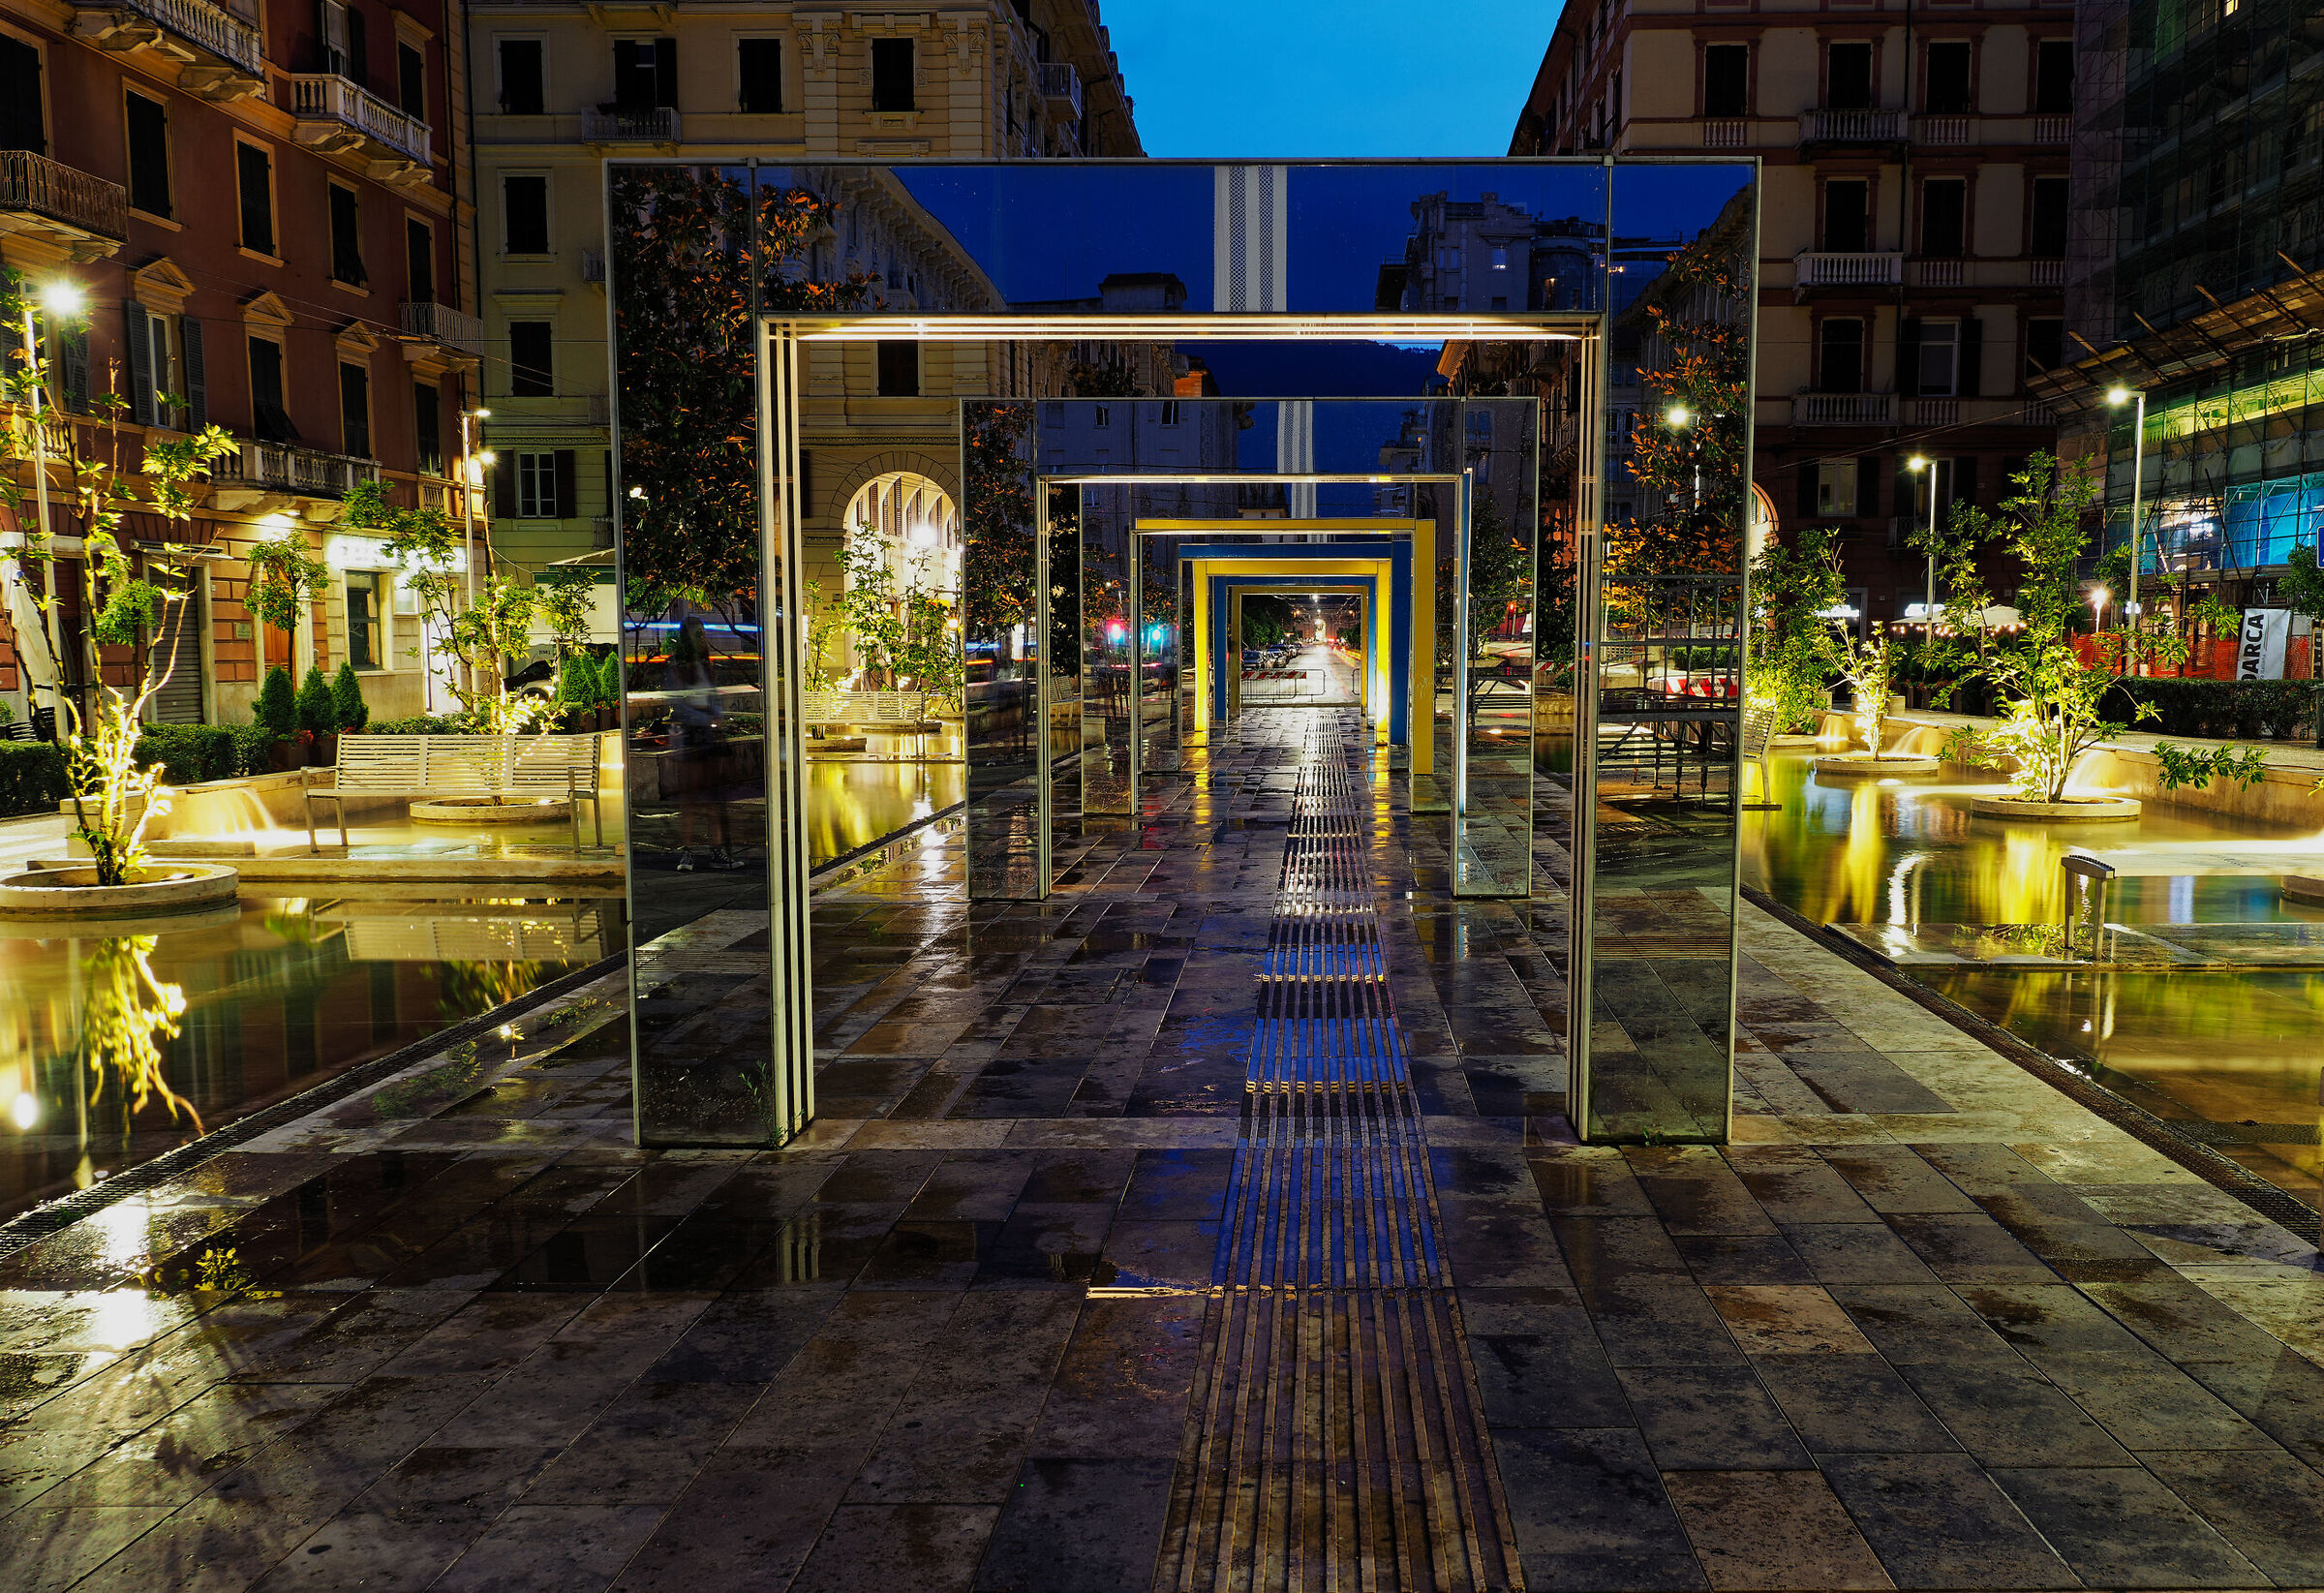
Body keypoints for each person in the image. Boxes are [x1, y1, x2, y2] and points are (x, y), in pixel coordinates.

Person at [663, 614, 737, 871]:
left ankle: (716, 849)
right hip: (692, 732)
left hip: (707, 732)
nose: (701, 639)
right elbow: (676, 702)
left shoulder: (706, 664)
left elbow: (712, 693)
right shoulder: (677, 665)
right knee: (692, 796)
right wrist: (706, 718)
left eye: (702, 634)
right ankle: (688, 851)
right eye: (696, 634)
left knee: (714, 795)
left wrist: (716, 715)